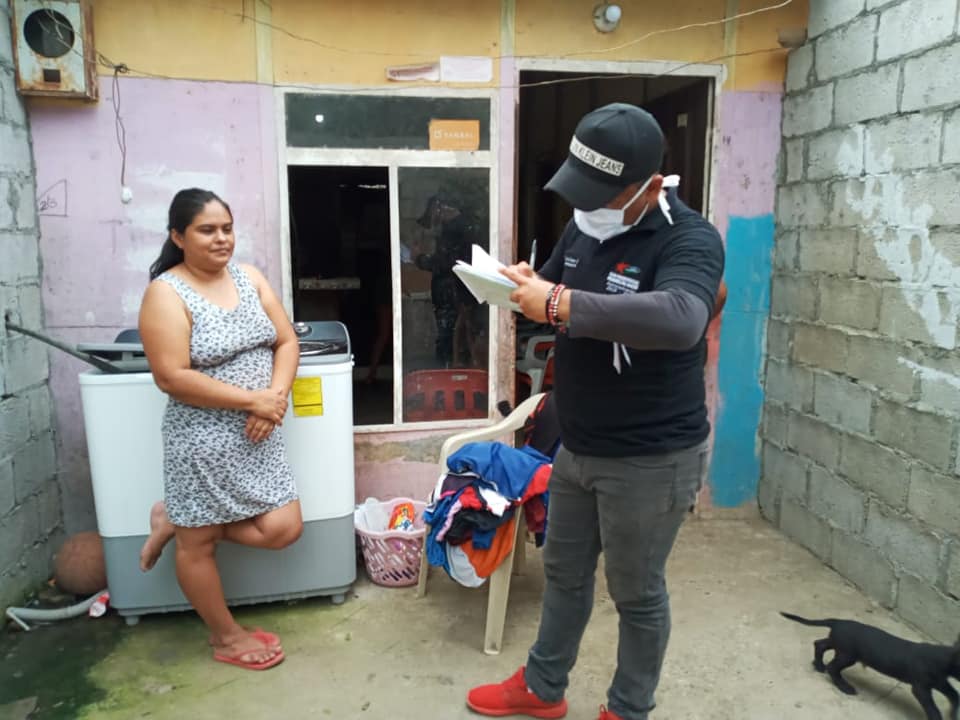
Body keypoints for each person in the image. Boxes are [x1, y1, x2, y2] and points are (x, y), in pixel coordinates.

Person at [466, 104, 725, 720]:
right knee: (564, 572)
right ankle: (543, 687)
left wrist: (558, 301)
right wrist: (523, 285)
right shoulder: (585, 227)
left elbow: (682, 317)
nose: (585, 206)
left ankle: (628, 709)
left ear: (650, 186)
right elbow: (552, 288)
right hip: (578, 445)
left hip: (651, 457)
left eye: (601, 193)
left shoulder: (689, 239)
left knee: (636, 592)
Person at [137, 188, 303, 671]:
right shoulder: (166, 293)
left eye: (227, 228)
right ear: (178, 237)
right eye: (207, 230)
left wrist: (274, 398)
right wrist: (255, 400)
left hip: (259, 435)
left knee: (284, 528)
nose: (221, 238)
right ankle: (226, 636)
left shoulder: (250, 278)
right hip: (201, 442)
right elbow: (172, 377)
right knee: (199, 545)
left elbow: (287, 342)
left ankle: (175, 519)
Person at [414, 192, 480, 367]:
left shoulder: (455, 230)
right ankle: (453, 367)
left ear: (440, 208)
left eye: (434, 213)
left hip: (452, 292)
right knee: (455, 335)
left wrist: (420, 259)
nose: (434, 220)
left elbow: (446, 262)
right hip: (457, 291)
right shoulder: (460, 227)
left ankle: (449, 370)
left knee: (449, 336)